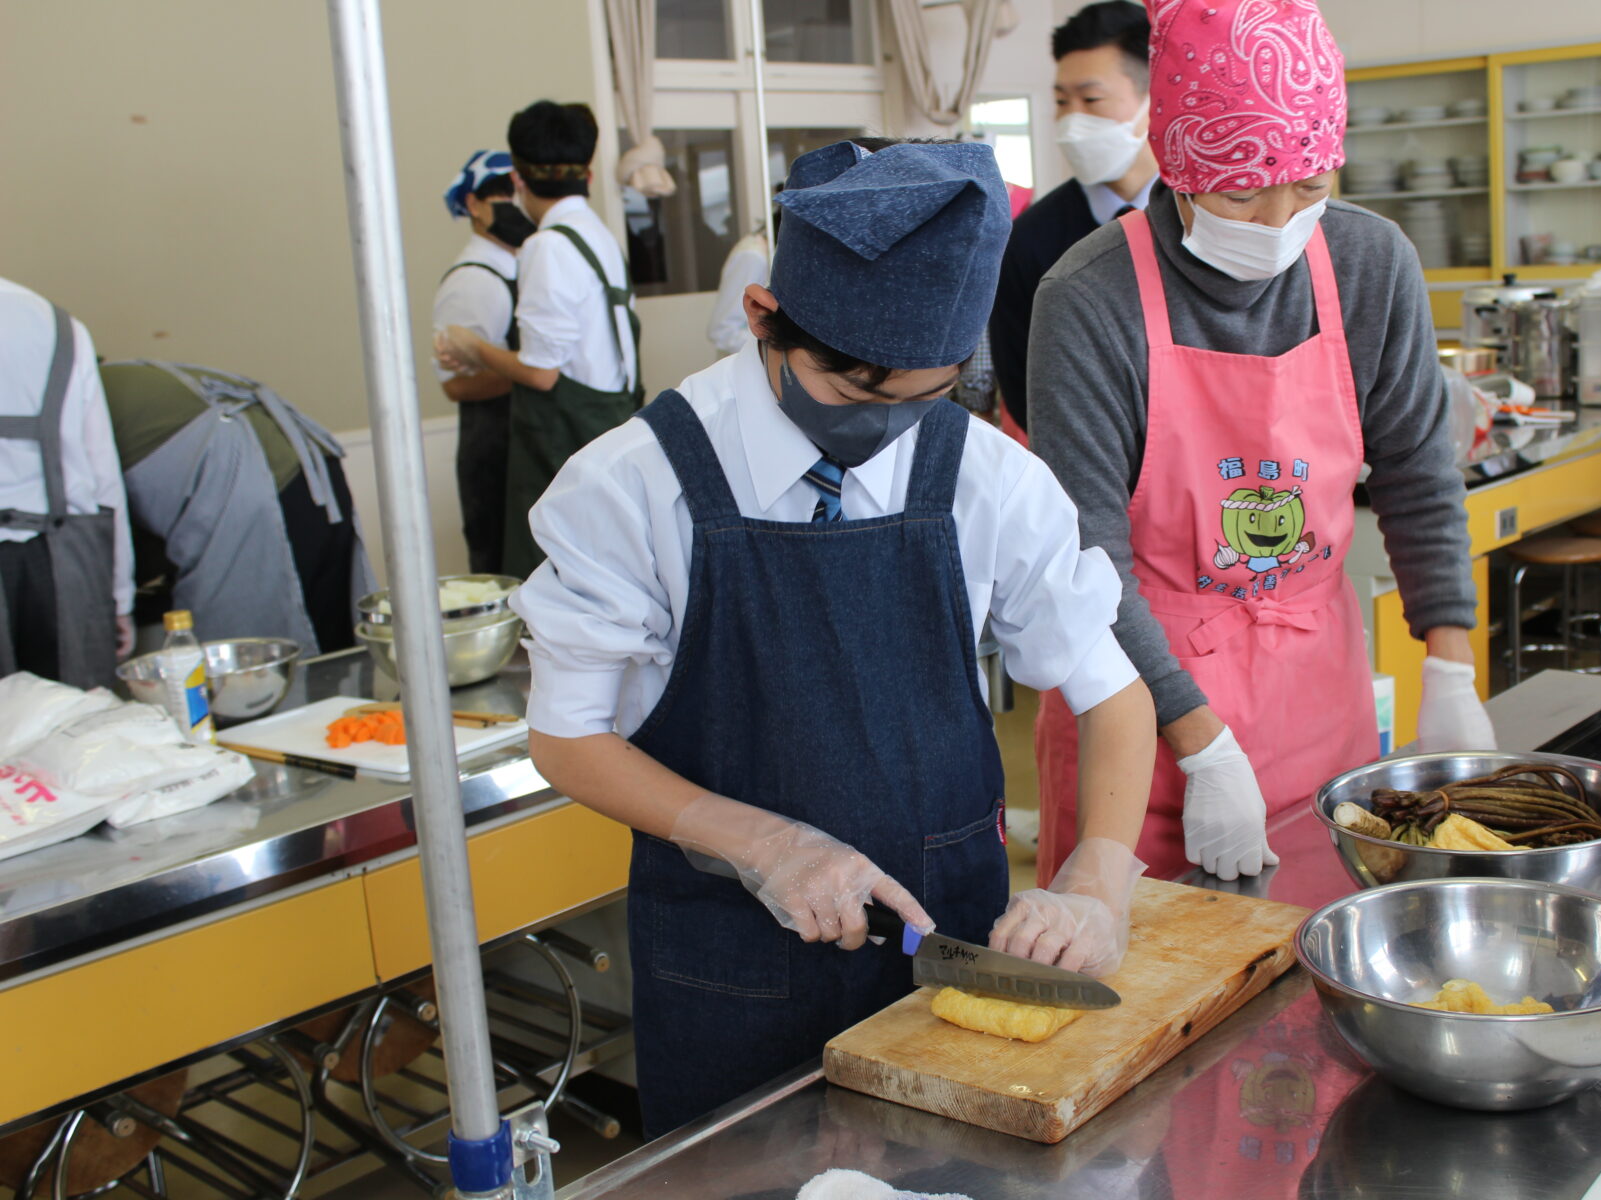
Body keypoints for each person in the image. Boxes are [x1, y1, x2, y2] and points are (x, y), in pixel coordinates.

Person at [512, 138, 1156, 1136]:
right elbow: (567, 737)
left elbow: (1112, 695)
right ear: (766, 317)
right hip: (729, 975)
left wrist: (1100, 882)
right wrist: (762, 843)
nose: (888, 429)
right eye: (858, 395)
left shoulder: (987, 475)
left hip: (950, 957)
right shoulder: (630, 486)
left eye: (926, 398)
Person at [1029, 0, 1493, 886]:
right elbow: (1087, 557)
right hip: (1140, 716)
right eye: (1242, 189)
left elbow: (1418, 471)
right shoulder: (1089, 298)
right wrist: (1201, 748)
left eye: (1311, 188)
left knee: (1323, 965)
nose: (1279, 219)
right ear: (1178, 159)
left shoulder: (1371, 262)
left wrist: (1450, 663)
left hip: (1317, 695)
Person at [437, 101, 642, 579]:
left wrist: (472, 347)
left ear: (519, 181)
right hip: (612, 429)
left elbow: (540, 373)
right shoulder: (599, 236)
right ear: (588, 177)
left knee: (557, 582)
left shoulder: (546, 246)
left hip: (564, 448)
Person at [99, 360, 373, 657]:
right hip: (308, 467)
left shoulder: (80, 401)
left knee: (256, 652)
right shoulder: (121, 377)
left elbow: (95, 540)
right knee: (327, 638)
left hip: (258, 485)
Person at [988, 0, 1158, 435]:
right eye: (1063, 102)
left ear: (1155, 98)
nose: (1070, 120)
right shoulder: (1029, 240)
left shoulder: (1205, 217)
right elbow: (1026, 392)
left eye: (1092, 98)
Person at [0, 277, 133, 686]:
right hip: (66, 563)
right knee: (76, 731)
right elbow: (101, 471)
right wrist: (120, 595)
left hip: (58, 556)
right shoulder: (55, 322)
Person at [434, 149, 533, 575]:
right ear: (472, 204)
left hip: (527, 448)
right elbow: (455, 384)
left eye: (516, 193)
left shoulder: (525, 264)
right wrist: (536, 372)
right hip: (495, 454)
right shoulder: (473, 281)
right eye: (498, 196)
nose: (511, 206)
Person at [706, 229, 770, 357]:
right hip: (745, 365)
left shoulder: (758, 252)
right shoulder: (752, 257)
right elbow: (723, 331)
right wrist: (776, 348)